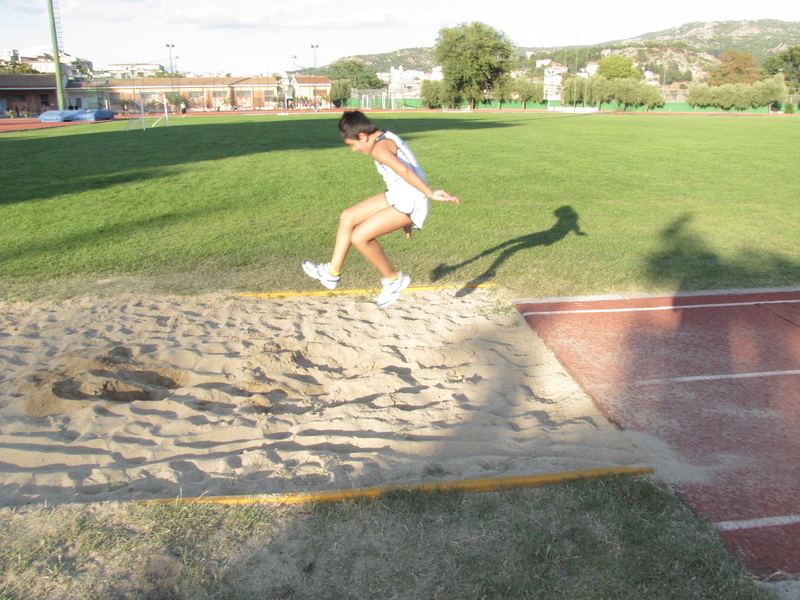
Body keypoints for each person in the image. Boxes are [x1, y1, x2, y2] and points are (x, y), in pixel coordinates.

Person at [302, 110, 460, 308]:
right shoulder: (385, 137)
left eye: (353, 145)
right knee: (348, 217)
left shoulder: (379, 149)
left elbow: (404, 170)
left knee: (359, 237)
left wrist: (429, 193)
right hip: (398, 196)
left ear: (362, 136)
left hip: (411, 200)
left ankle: (394, 279)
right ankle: (332, 273)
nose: (354, 150)